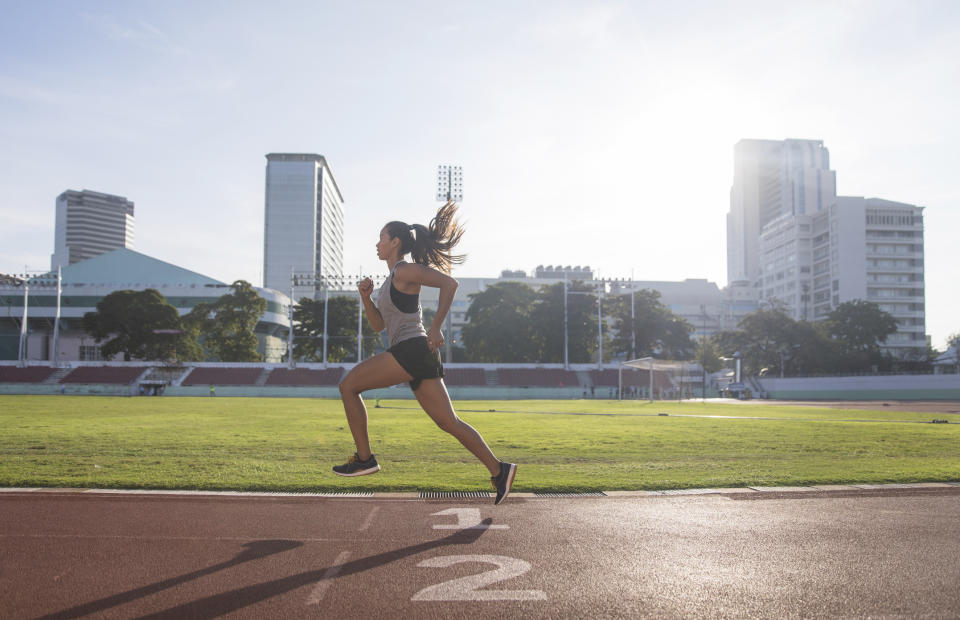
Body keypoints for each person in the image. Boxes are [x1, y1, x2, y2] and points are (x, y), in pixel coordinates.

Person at [332, 201, 517, 505]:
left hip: (413, 349)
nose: (376, 244)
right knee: (448, 422)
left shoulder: (404, 270)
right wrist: (366, 298)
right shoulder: (389, 281)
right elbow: (379, 326)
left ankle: (365, 459)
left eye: (381, 238)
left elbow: (449, 283)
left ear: (395, 242)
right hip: (416, 354)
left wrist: (436, 327)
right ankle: (499, 470)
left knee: (348, 386)